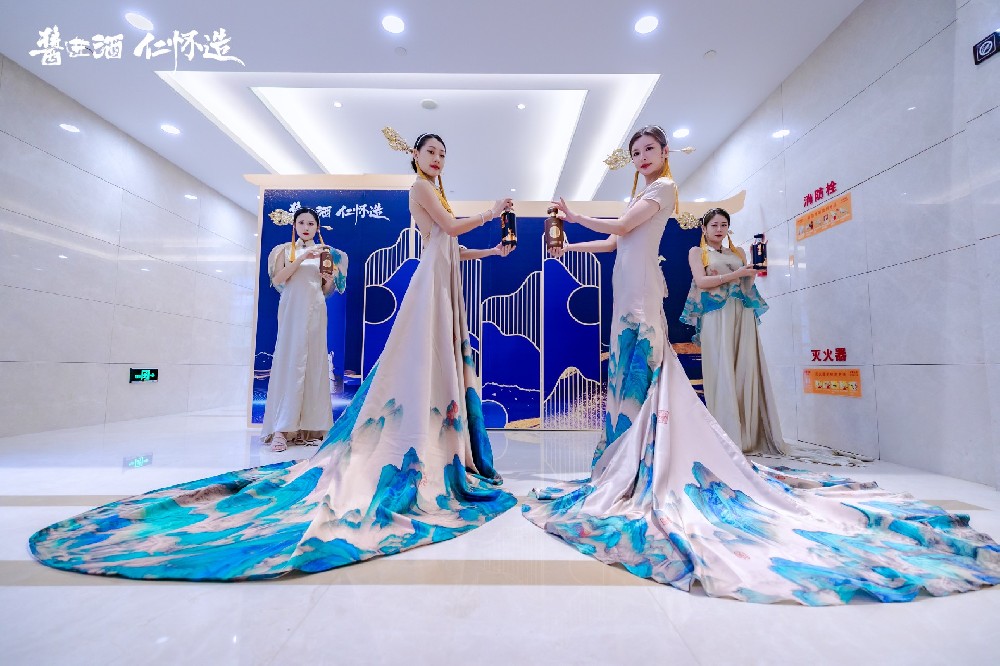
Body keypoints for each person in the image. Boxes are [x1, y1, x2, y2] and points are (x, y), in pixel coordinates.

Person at [522, 125, 1000, 605]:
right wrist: (570, 244)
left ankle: (641, 463)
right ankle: (624, 463)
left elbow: (624, 228)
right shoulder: (641, 194)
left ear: (665, 153)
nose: (642, 156)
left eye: (649, 149)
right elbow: (616, 243)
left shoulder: (663, 188)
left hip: (642, 295)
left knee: (641, 379)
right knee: (626, 381)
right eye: (636, 152)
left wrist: (574, 215)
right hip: (625, 290)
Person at [28, 130, 518, 581]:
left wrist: (490, 253)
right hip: (422, 287)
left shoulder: (431, 196)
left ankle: (429, 445)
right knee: (413, 363)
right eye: (431, 151)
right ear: (416, 156)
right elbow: (450, 228)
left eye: (443, 154)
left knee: (424, 364)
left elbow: (447, 246)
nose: (438, 158)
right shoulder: (420, 187)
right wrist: (491, 211)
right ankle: (392, 444)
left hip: (436, 279)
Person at [680, 207, 784, 455]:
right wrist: (737, 273)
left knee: (745, 368)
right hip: (715, 315)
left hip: (742, 313)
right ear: (704, 228)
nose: (719, 229)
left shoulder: (737, 252)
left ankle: (748, 436)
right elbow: (702, 282)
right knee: (722, 368)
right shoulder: (697, 252)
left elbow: (746, 283)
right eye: (714, 225)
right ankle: (726, 437)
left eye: (724, 225)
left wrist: (751, 272)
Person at [260, 207, 347, 452]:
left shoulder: (326, 253)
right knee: (289, 361)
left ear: (317, 227)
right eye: (301, 223)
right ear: (295, 226)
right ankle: (281, 428)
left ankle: (313, 427)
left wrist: (328, 279)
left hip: (316, 307)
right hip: (291, 308)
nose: (306, 227)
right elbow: (278, 279)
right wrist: (302, 257)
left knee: (314, 364)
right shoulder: (283, 250)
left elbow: (325, 289)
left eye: (311, 223)